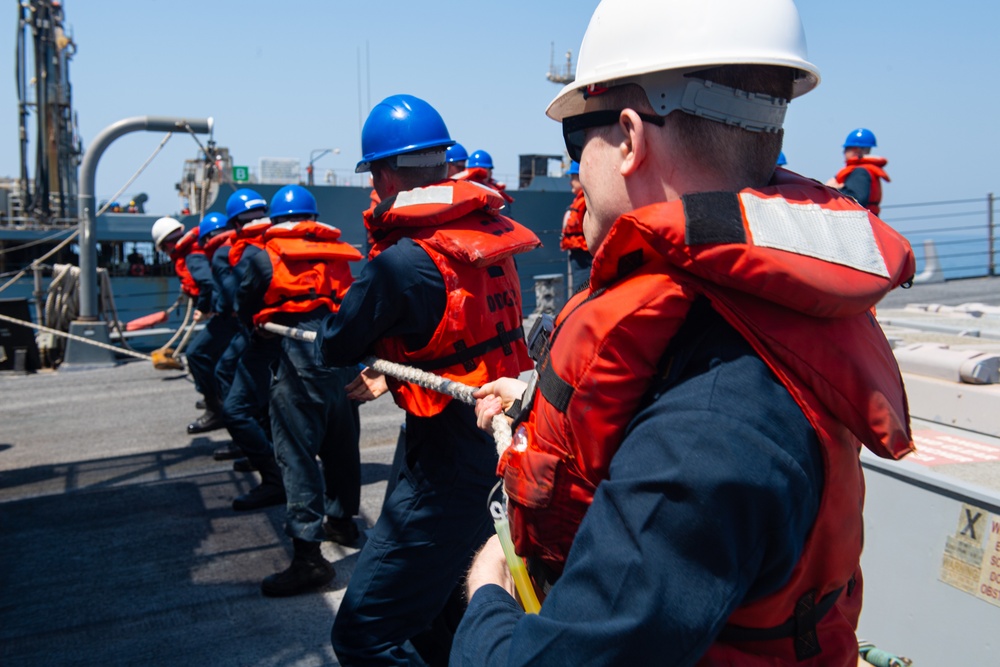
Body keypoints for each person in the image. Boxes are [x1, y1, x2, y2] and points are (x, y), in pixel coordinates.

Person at [454, 1, 916, 665]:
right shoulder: (761, 313)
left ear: (631, 138)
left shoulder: (712, 429)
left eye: (576, 140)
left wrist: (486, 586)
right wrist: (535, 393)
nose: (579, 166)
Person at [317, 93, 538, 666]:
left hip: (441, 465)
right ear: (443, 165)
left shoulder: (401, 262)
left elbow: (334, 343)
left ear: (385, 174)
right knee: (441, 614)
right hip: (496, 437)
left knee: (364, 635)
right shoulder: (491, 237)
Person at [237, 184, 364, 597]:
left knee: (296, 456)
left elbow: (245, 302)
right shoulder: (335, 249)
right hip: (338, 350)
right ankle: (342, 522)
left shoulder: (262, 256)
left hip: (293, 354)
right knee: (342, 446)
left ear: (273, 220)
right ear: (313, 218)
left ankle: (309, 560)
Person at [221, 189, 286, 510]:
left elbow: (239, 300)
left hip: (264, 340)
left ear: (234, 223)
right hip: (296, 341)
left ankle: (275, 480)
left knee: (236, 409)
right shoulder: (276, 244)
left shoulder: (248, 252)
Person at [184, 212, 240, 435]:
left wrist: (205, 308)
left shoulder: (218, 253)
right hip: (245, 317)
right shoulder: (239, 246)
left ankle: (217, 409)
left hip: (230, 318)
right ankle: (219, 403)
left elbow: (216, 287)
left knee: (197, 354)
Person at [826, 128, 890, 215]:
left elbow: (857, 199)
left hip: (862, 221)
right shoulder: (866, 170)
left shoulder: (860, 172)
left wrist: (835, 189)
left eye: (847, 148)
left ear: (856, 150)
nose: (843, 152)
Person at [558, 160, 591, 294]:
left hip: (584, 256)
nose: (570, 182)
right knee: (578, 289)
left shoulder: (587, 202)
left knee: (581, 291)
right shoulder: (579, 200)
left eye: (573, 177)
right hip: (577, 254)